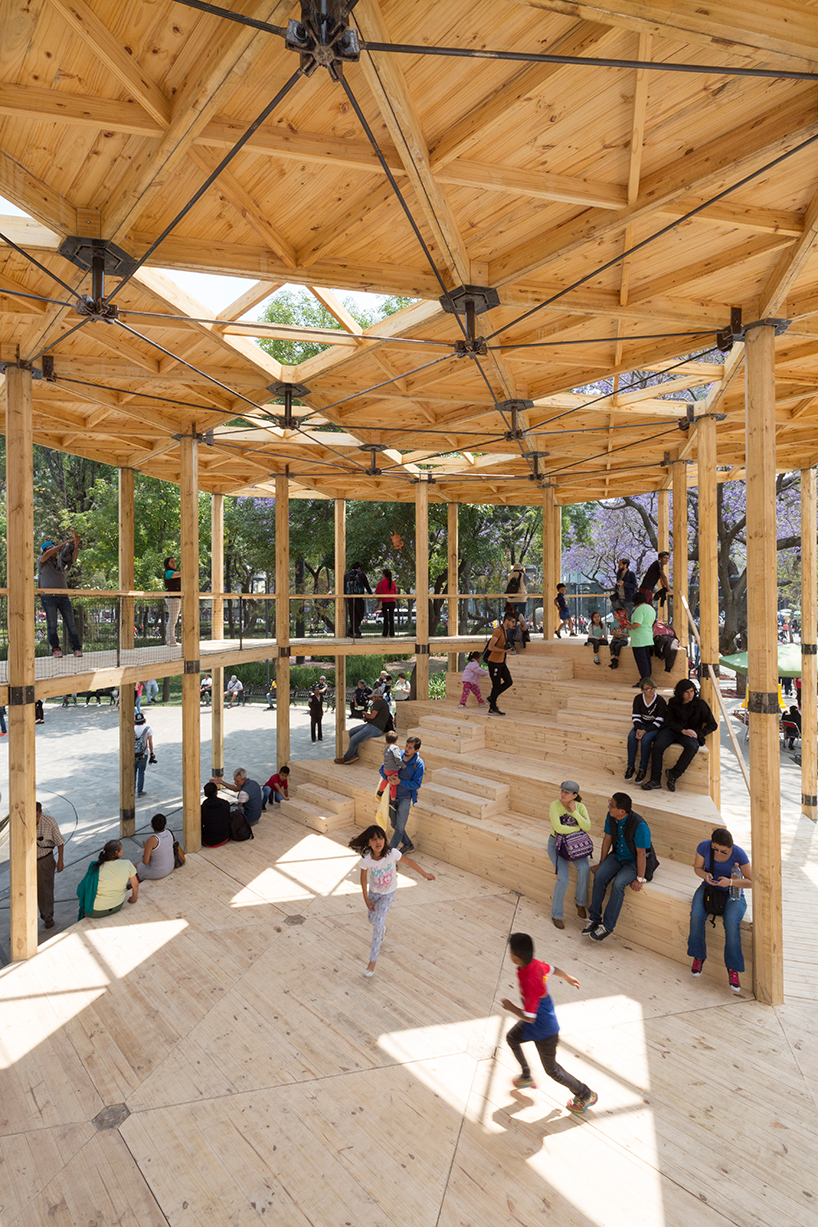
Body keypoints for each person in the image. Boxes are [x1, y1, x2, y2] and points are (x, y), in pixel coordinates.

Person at [501, 932, 598, 1113]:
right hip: (538, 1022)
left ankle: (586, 1095)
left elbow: (529, 1017)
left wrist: (510, 1007)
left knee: (552, 1070)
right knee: (512, 1037)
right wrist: (568, 977)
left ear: (515, 957)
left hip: (545, 1030)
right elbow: (553, 969)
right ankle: (526, 1076)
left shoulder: (530, 980)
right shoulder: (535, 965)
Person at [349, 824, 435, 976]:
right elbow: (363, 880)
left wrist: (424, 874)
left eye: (380, 838)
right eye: (374, 839)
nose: (378, 842)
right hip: (374, 893)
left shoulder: (392, 853)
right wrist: (366, 899)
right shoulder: (366, 860)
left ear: (385, 840)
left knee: (377, 923)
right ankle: (382, 929)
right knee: (372, 919)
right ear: (369, 842)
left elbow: (409, 862)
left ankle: (372, 962)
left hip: (388, 894)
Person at [687, 826, 752, 994]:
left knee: (731, 922)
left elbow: (752, 881)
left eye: (724, 852)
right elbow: (697, 868)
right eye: (715, 849)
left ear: (731, 848)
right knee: (696, 914)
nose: (718, 853)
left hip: (733, 892)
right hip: (710, 888)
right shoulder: (703, 847)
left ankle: (733, 969)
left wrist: (730, 882)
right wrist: (705, 876)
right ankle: (698, 956)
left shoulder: (739, 854)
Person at [583, 793, 651, 941]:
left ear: (622, 811)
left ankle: (607, 926)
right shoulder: (611, 817)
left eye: (612, 805)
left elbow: (641, 854)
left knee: (619, 883)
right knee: (600, 874)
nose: (609, 807)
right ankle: (594, 918)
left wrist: (640, 878)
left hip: (633, 862)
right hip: (617, 856)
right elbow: (607, 839)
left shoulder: (640, 825)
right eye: (610, 803)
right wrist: (602, 862)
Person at [641, 679, 717, 792]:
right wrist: (682, 730)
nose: (690, 694)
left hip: (690, 733)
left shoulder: (700, 705)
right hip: (673, 730)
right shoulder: (673, 702)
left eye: (692, 691)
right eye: (687, 692)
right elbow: (668, 721)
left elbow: (713, 725)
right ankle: (655, 780)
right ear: (680, 693)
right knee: (658, 745)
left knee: (692, 747)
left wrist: (698, 733)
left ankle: (674, 774)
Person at [547, 782, 591, 930]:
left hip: (574, 844)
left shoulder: (580, 807)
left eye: (567, 792)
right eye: (562, 791)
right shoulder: (554, 805)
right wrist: (578, 827)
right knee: (563, 878)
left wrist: (575, 812)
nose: (563, 794)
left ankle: (580, 903)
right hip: (557, 845)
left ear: (575, 795)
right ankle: (556, 914)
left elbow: (588, 827)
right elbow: (558, 828)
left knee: (585, 869)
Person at [38, 531, 83, 657]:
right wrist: (64, 544)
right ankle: (56, 649)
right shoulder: (42, 561)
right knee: (52, 624)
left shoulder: (60, 562)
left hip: (63, 597)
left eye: (54, 549)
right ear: (44, 551)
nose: (53, 551)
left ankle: (76, 648)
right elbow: (47, 554)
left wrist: (76, 544)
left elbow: (73, 558)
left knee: (71, 624)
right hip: (48, 597)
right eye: (49, 549)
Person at [383, 735, 424, 852]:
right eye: (406, 745)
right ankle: (409, 845)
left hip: (405, 798)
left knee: (399, 828)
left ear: (416, 750)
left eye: (410, 748)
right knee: (394, 824)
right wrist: (387, 776)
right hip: (392, 796)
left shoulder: (419, 764)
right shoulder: (397, 754)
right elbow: (382, 768)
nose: (407, 749)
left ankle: (388, 855)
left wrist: (400, 782)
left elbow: (416, 784)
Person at [337, 685, 394, 763]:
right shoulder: (383, 703)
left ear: (377, 697)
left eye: (372, 698)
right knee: (351, 732)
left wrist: (366, 714)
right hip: (371, 725)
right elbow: (375, 717)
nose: (371, 699)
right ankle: (354, 754)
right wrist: (368, 718)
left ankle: (346, 758)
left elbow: (372, 716)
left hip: (375, 728)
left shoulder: (379, 702)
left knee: (354, 739)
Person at [626, 678, 667, 782]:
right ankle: (630, 766)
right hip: (641, 725)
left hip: (654, 726)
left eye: (653, 688)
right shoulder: (638, 699)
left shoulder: (660, 701)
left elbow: (660, 720)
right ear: (642, 690)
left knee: (646, 740)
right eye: (648, 689)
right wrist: (638, 728)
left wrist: (645, 731)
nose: (651, 691)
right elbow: (635, 716)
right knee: (631, 737)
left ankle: (642, 769)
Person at [90, 840, 138, 917]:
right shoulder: (127, 864)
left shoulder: (96, 867)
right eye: (122, 849)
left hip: (96, 910)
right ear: (116, 852)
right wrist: (134, 898)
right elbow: (135, 884)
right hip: (117, 905)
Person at [36, 801, 65, 930]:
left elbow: (60, 842)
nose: (34, 820)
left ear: (41, 813)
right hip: (27, 860)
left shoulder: (49, 822)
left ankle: (47, 916)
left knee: (45, 891)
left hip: (44, 859)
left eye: (36, 816)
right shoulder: (22, 821)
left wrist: (60, 861)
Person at [486, 613, 516, 715]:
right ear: (506, 621)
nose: (513, 624)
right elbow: (491, 647)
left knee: (509, 681)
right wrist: (504, 651)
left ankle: (492, 698)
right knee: (496, 685)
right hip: (494, 662)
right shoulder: (498, 631)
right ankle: (492, 707)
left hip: (501, 662)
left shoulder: (505, 632)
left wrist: (506, 649)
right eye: (512, 622)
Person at [628, 592, 656, 683]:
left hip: (639, 639)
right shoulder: (651, 608)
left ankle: (644, 681)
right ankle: (647, 679)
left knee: (641, 662)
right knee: (647, 660)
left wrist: (628, 626)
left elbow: (637, 624)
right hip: (648, 637)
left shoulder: (639, 609)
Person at [137, 813, 175, 882]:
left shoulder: (152, 840)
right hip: (170, 866)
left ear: (152, 826)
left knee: (135, 866)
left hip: (158, 872)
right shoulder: (169, 832)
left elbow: (145, 861)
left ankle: (135, 884)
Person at [377, 730, 403, 810]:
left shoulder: (386, 749)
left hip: (386, 769)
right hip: (393, 770)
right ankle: (392, 801)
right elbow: (397, 758)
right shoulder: (395, 748)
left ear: (386, 741)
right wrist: (403, 766)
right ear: (396, 741)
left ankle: (380, 791)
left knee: (386, 779)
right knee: (393, 785)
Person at [344, 561, 371, 637]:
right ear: (359, 568)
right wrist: (371, 594)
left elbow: (344, 587)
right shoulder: (361, 574)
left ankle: (352, 631)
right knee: (360, 614)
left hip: (350, 597)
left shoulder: (347, 575)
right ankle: (355, 631)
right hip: (359, 597)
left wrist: (345, 596)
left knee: (353, 615)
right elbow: (366, 585)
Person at [201, 781, 232, 847]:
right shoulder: (225, 804)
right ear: (216, 792)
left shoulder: (203, 807)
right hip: (225, 837)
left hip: (208, 841)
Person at [134, 712, 155, 797]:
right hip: (143, 753)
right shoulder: (147, 729)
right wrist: (152, 753)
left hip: (133, 753)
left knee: (133, 772)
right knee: (141, 772)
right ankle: (140, 791)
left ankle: (131, 790)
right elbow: (150, 742)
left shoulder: (132, 728)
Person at [163, 555, 181, 646]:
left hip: (176, 598)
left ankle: (170, 640)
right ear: (167, 564)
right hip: (172, 598)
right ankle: (171, 640)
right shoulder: (168, 573)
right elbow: (181, 573)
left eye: (174, 561)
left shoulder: (172, 572)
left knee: (173, 619)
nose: (174, 563)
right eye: (171, 562)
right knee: (173, 619)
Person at [375, 567, 398, 636]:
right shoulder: (392, 582)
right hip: (392, 601)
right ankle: (392, 633)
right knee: (391, 618)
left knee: (385, 618)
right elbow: (395, 592)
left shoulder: (381, 582)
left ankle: (385, 633)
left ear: (384, 575)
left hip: (384, 601)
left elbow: (376, 592)